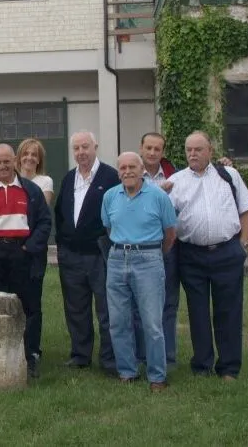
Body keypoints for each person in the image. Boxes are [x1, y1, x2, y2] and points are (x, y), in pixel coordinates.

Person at [167, 131, 248, 381]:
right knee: (198, 311)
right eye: (189, 150)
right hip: (191, 255)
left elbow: (247, 209)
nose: (193, 154)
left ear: (210, 152)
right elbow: (164, 218)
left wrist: (243, 245)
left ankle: (228, 367)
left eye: (198, 149)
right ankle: (202, 365)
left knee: (229, 311)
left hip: (227, 252)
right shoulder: (176, 181)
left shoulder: (229, 175)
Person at [0, 144, 52, 379]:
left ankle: (30, 355)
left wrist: (28, 246)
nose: (3, 167)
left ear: (14, 160)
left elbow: (45, 222)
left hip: (23, 253)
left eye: (6, 161)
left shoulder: (31, 190)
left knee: (29, 306)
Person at [102, 152, 177, 392]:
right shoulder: (110, 196)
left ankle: (157, 376)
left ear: (142, 168)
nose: (127, 171)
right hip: (116, 258)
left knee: (152, 322)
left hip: (149, 259)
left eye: (132, 166)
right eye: (122, 167)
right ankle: (127, 371)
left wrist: (152, 253)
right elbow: (108, 227)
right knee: (118, 321)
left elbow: (170, 234)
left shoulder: (158, 196)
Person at [54, 131, 119, 375]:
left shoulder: (110, 177)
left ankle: (109, 359)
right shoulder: (70, 178)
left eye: (85, 147)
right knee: (76, 308)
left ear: (95, 147)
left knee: (107, 309)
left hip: (100, 255)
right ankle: (80, 355)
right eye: (77, 148)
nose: (81, 152)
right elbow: (60, 214)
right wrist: (62, 246)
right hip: (71, 255)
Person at [134, 132, 179, 367]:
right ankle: (143, 357)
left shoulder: (176, 175)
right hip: (140, 249)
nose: (152, 153)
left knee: (168, 304)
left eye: (157, 149)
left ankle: (167, 356)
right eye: (148, 148)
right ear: (141, 149)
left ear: (163, 152)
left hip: (168, 247)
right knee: (140, 305)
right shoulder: (129, 173)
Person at [16, 138, 55, 364]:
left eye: (34, 155)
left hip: (32, 249)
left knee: (32, 302)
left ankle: (32, 348)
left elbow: (40, 211)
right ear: (19, 156)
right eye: (26, 153)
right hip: (9, 250)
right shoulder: (8, 179)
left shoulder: (44, 181)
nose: (29, 158)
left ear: (39, 159)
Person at [17, 138, 55, 205]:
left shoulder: (46, 181)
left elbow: (42, 209)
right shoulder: (11, 181)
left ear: (38, 160)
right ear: (19, 158)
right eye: (25, 154)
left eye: (34, 155)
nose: (29, 158)